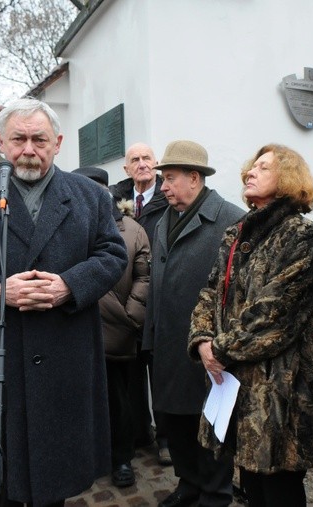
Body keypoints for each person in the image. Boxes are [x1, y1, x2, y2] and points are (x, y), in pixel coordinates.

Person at [0, 98, 128, 506]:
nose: (28, 149)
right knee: (3, 478)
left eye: (39, 139)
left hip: (65, 351)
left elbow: (113, 255)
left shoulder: (90, 196)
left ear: (56, 143)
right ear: (0, 142)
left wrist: (70, 285)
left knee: (56, 481)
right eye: (18, 139)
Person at [187, 144, 313, 506]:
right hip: (238, 381)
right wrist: (202, 338)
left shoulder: (299, 233)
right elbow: (210, 291)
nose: (250, 172)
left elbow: (275, 314)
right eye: (253, 166)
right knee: (252, 483)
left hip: (279, 386)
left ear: (286, 179)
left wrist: (218, 349)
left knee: (279, 487)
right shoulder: (238, 233)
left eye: (263, 168)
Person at [143, 139, 245, 507]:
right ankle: (189, 483)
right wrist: (150, 335)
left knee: (210, 424)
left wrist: (223, 344)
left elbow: (238, 292)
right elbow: (157, 280)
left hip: (206, 347)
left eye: (169, 178)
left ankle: (215, 493)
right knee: (176, 420)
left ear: (194, 177)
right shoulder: (162, 221)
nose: (164, 187)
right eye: (162, 180)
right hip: (168, 343)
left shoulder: (231, 220)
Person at [73, 166, 150, 489]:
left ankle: (121, 458)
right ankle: (84, 459)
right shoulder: (69, 225)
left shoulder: (132, 230)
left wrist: (130, 315)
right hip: (74, 329)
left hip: (116, 330)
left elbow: (144, 277)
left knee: (118, 399)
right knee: (78, 400)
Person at [110, 142, 171, 463]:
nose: (142, 164)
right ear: (127, 169)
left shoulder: (168, 198)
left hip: (158, 300)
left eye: (147, 158)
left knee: (159, 375)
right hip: (126, 305)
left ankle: (165, 440)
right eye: (135, 160)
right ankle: (138, 433)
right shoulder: (115, 201)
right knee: (131, 377)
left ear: (156, 163)